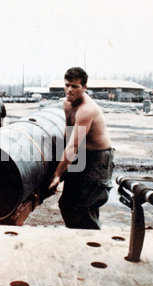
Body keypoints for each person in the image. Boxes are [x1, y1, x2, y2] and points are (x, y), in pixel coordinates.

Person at [49, 67, 115, 230]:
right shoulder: (67, 104)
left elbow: (74, 145)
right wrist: (58, 164)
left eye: (75, 86)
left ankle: (92, 246)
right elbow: (68, 135)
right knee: (67, 204)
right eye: (67, 85)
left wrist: (58, 174)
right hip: (81, 155)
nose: (70, 90)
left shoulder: (87, 110)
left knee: (85, 207)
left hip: (98, 159)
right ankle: (78, 238)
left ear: (85, 87)